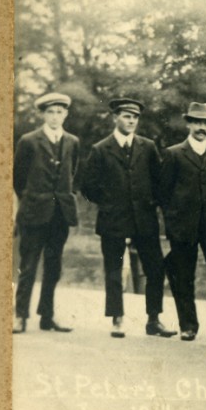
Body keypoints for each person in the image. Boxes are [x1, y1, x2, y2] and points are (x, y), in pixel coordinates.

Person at [79, 98, 177, 338]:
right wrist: (109, 202)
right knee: (113, 270)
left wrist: (151, 202)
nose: (131, 120)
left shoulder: (148, 146)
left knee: (155, 269)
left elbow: (159, 181)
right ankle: (117, 319)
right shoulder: (100, 149)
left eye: (134, 117)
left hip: (144, 219)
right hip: (113, 220)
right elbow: (88, 186)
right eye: (126, 116)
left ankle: (154, 319)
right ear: (115, 118)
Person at [158, 102, 206, 343]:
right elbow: (163, 193)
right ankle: (188, 326)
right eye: (197, 122)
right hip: (183, 226)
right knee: (183, 277)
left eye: (205, 123)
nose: (201, 127)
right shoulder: (173, 153)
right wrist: (172, 221)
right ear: (188, 123)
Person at [13, 92, 80, 334]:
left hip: (60, 213)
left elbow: (73, 173)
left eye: (59, 112)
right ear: (43, 114)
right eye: (50, 112)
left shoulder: (72, 141)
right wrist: (32, 199)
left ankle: (47, 315)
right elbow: (18, 179)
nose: (55, 117)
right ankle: (20, 315)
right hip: (34, 212)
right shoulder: (29, 141)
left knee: (54, 266)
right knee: (28, 266)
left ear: (66, 114)